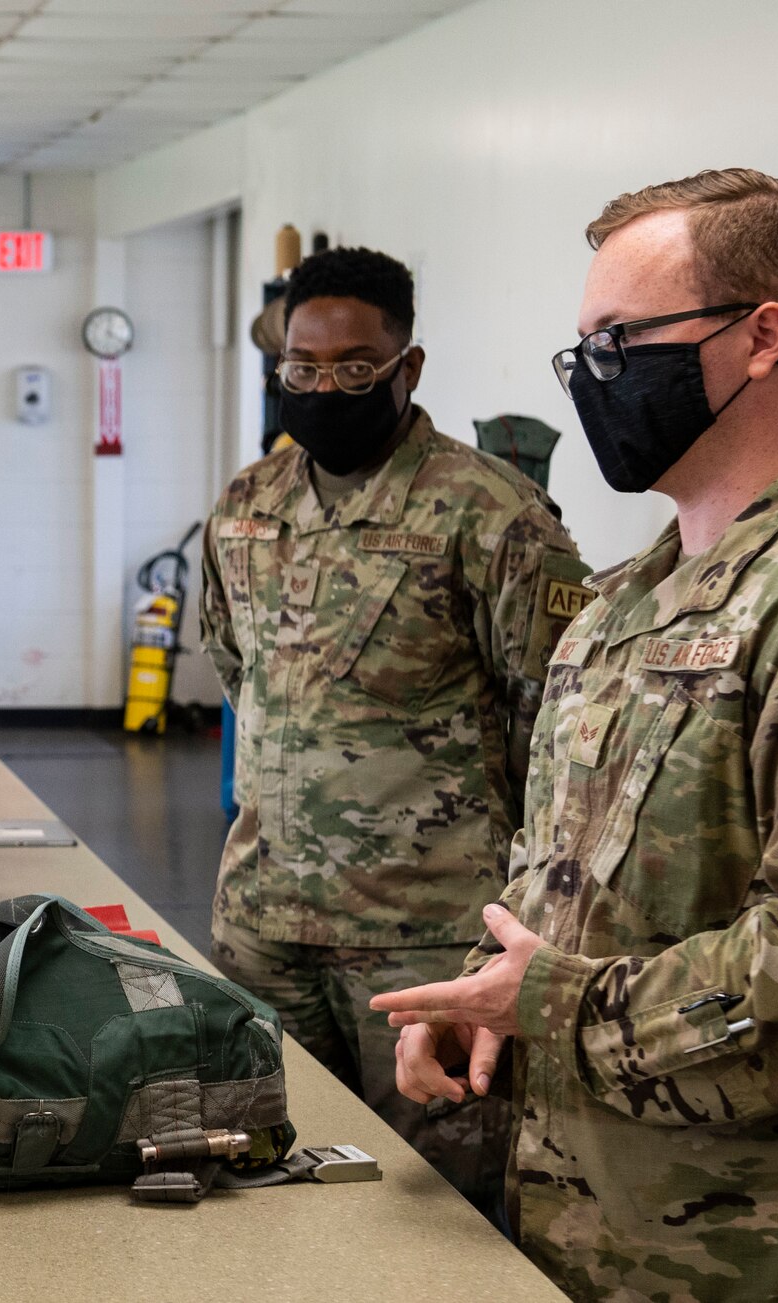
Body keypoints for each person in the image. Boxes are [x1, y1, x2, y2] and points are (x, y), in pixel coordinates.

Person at [375, 168, 778, 1300]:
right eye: (581, 347)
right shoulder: (623, 603)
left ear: (763, 337)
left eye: (619, 339)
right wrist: (482, 1003)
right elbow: (564, 881)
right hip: (582, 1224)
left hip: (777, 1255)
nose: (590, 378)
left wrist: (543, 1003)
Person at [199, 246, 587, 1213]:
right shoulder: (248, 505)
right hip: (264, 918)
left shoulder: (494, 514)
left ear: (407, 369)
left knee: (429, 1206)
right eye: (304, 369)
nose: (325, 387)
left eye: (354, 368)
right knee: (261, 1181)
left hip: (424, 939)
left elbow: (561, 725)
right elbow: (239, 666)